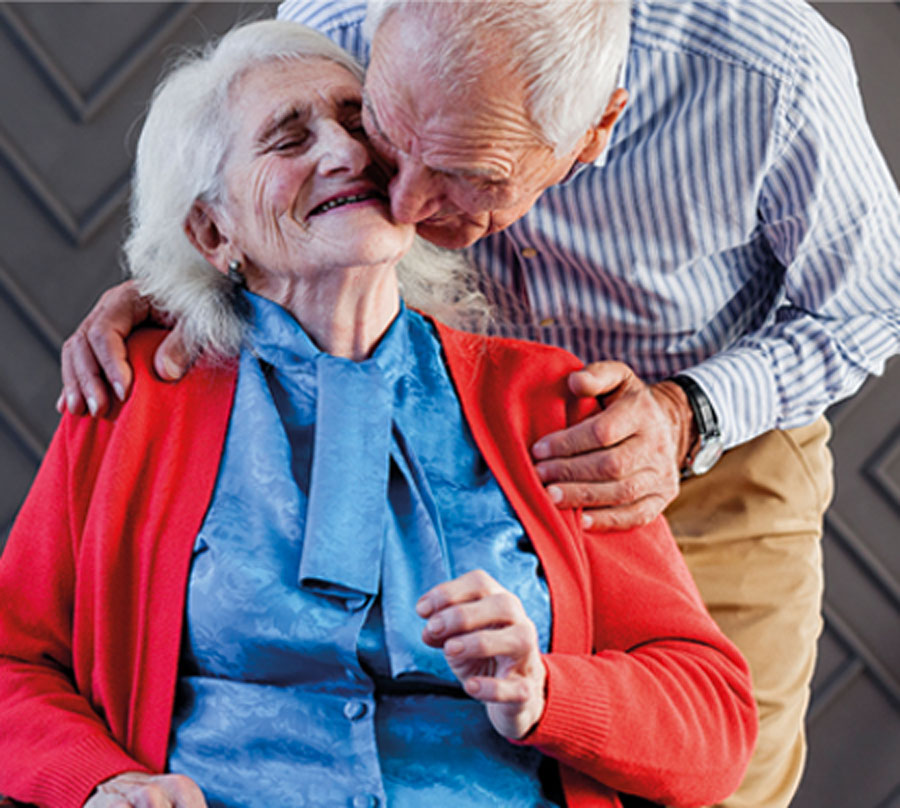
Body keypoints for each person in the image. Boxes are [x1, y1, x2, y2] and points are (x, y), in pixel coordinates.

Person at [53, 1, 900, 806]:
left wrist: (687, 415)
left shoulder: (768, 67)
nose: (404, 203)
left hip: (699, 421)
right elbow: (254, 175)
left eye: (467, 173)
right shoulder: (340, 27)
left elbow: (873, 300)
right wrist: (184, 283)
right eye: (390, 136)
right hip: (443, 378)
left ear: (597, 129)